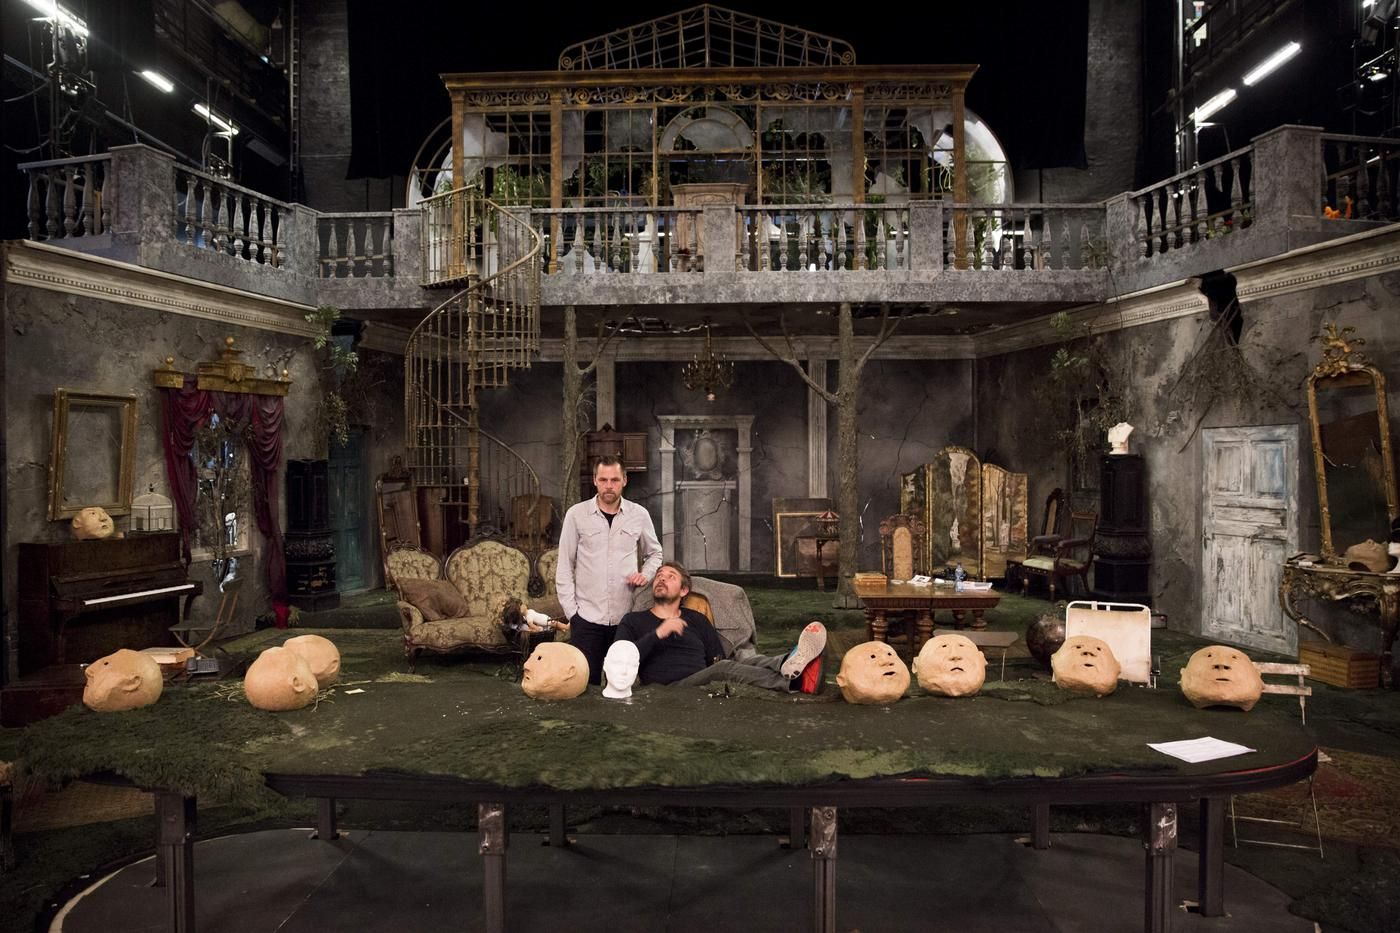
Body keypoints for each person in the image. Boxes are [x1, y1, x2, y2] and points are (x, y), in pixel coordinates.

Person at [614, 561, 827, 693]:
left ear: (684, 591)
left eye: (671, 577)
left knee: (739, 659)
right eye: (659, 576)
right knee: (724, 668)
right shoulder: (633, 620)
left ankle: (785, 661)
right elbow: (618, 659)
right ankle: (796, 682)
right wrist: (658, 633)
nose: (662, 579)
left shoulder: (697, 619)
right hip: (670, 686)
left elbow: (715, 657)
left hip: (702, 677)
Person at [556, 455, 664, 684]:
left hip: (626, 619)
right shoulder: (576, 515)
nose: (608, 485)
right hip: (587, 618)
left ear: (624, 480)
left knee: (623, 684)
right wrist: (572, 613)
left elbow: (655, 553)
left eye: (614, 480)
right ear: (595, 480)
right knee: (585, 684)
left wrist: (645, 575)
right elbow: (564, 565)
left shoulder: (639, 515)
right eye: (603, 479)